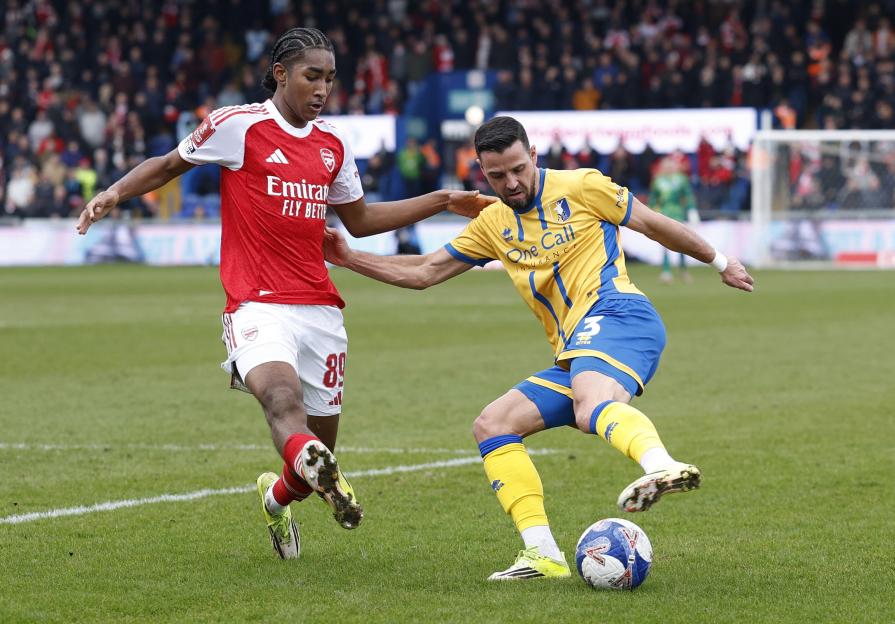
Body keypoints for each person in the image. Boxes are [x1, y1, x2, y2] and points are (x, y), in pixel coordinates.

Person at [75, 27, 492, 561]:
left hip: (319, 307)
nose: (322, 89)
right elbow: (169, 165)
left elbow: (360, 222)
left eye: (329, 79)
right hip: (256, 301)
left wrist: (441, 199)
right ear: (280, 74)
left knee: (317, 453)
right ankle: (309, 466)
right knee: (281, 400)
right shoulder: (238, 125)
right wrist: (112, 192)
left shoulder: (333, 144)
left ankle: (276, 500)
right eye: (311, 76)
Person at [322, 116, 754, 580]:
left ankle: (663, 465)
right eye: (496, 176)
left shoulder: (582, 186)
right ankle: (542, 555)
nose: (510, 183)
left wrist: (720, 261)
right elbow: (425, 270)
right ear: (482, 174)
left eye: (517, 169)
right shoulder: (493, 223)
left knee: (592, 409)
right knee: (493, 424)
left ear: (534, 157)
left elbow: (652, 223)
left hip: (620, 316)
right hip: (575, 348)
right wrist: (348, 258)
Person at [649, 154, 698, 283]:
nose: (669, 168)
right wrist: (652, 212)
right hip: (663, 213)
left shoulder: (681, 179)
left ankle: (683, 271)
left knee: (681, 242)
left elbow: (687, 195)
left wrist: (691, 209)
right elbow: (653, 199)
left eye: (671, 165)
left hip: (678, 213)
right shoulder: (658, 181)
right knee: (664, 243)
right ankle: (666, 271)